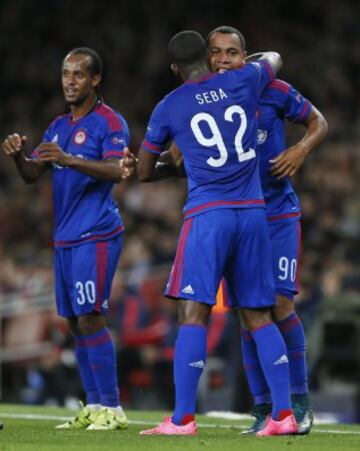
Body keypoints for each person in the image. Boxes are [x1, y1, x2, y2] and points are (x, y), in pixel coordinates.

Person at [137, 30, 298, 437]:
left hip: (208, 215)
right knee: (258, 313)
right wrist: (251, 60)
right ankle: (284, 415)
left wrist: (172, 158)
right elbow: (274, 57)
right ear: (208, 59)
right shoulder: (244, 79)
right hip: (254, 213)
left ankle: (182, 419)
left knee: (192, 313)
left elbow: (141, 172)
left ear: (175, 68)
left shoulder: (168, 106)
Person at [2, 47, 136, 431]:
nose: (70, 81)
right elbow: (33, 175)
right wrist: (18, 157)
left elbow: (115, 170)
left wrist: (70, 158)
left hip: (96, 233)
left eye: (78, 74)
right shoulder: (58, 125)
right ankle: (94, 406)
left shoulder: (110, 122)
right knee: (76, 323)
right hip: (65, 237)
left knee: (91, 317)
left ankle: (111, 407)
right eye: (65, 74)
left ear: (95, 80)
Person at [206, 26, 328, 434]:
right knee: (247, 314)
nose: (224, 60)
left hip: (276, 214)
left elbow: (318, 122)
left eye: (232, 53)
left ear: (246, 58)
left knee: (279, 304)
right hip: (235, 220)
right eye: (217, 53)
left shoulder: (274, 90)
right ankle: (263, 410)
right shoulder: (206, 99)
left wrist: (300, 149)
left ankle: (298, 403)